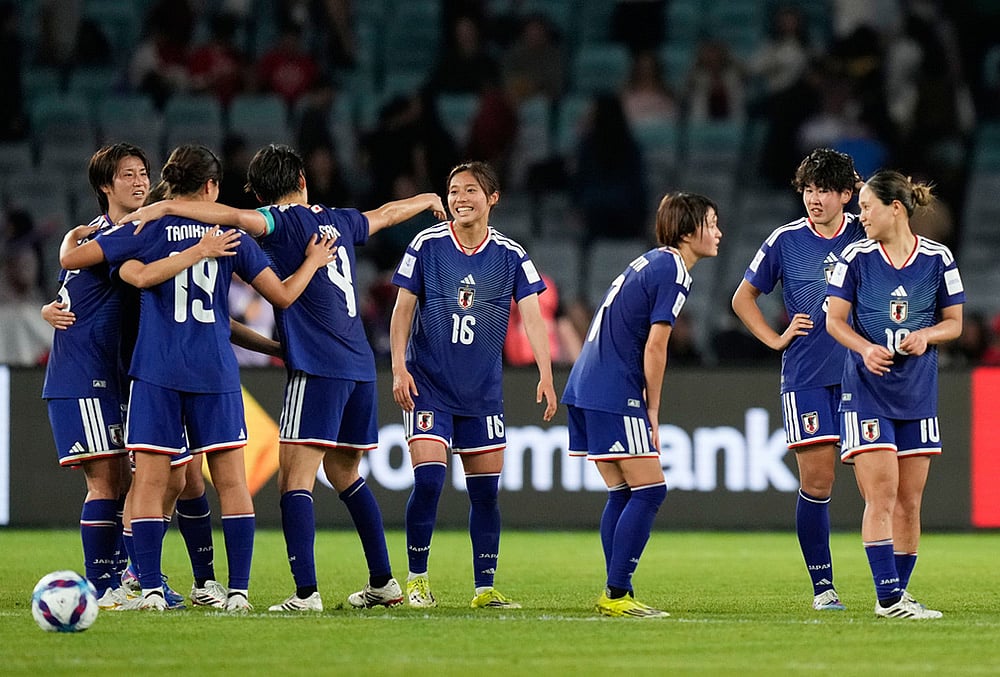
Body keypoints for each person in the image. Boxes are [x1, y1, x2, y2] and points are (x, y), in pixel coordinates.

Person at [120, 143, 447, 613]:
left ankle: (306, 594)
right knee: (345, 473)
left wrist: (167, 204)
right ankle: (383, 581)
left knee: (295, 482)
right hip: (359, 365)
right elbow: (387, 214)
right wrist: (426, 200)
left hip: (318, 367)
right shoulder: (337, 219)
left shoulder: (278, 220)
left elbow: (235, 218)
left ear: (261, 193)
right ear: (303, 180)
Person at [61, 144, 336, 612]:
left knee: (148, 482)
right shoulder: (229, 232)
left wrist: (72, 242)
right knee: (231, 483)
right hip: (215, 371)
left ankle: (148, 589)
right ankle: (238, 592)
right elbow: (284, 297)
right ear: (211, 187)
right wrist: (313, 261)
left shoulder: (146, 226)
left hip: (155, 372)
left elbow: (78, 261)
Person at [40, 143, 246, 610]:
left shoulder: (143, 230)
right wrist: (48, 310)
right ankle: (106, 585)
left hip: (126, 374)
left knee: (172, 477)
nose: (139, 181)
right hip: (86, 372)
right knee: (109, 483)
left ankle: (140, 576)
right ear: (104, 186)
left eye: (143, 173)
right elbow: (77, 274)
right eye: (127, 174)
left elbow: (200, 310)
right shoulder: (103, 235)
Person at [390, 160, 557, 609]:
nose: (459, 198)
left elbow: (533, 317)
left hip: (481, 393)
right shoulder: (426, 244)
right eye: (453, 190)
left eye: (469, 190)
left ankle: (484, 588)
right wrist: (398, 368)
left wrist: (545, 369)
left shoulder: (511, 254)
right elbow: (402, 309)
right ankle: (417, 580)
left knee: (485, 492)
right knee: (428, 480)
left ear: (492, 199)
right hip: (428, 384)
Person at [561, 191, 721, 618]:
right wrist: (651, 410)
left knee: (623, 491)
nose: (719, 232)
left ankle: (616, 592)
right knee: (651, 490)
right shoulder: (673, 268)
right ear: (689, 232)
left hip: (586, 383)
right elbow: (656, 346)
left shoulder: (652, 261)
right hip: (615, 389)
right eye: (712, 223)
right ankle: (617, 594)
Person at [731, 147, 865, 611]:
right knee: (818, 483)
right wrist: (774, 338)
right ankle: (823, 588)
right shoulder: (785, 240)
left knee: (876, 485)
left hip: (861, 375)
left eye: (825, 189)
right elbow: (742, 298)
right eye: (808, 189)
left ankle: (889, 585)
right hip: (806, 375)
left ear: (847, 194)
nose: (814, 198)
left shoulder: (868, 234)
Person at [826, 170, 964, 620]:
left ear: (896, 209)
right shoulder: (856, 257)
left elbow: (955, 323)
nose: (859, 215)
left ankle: (899, 595)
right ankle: (888, 598)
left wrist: (927, 335)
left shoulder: (938, 258)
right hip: (867, 391)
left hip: (917, 392)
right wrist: (865, 348)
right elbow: (834, 321)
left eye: (866, 206)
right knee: (881, 496)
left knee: (909, 501)